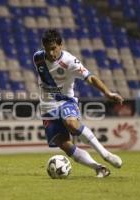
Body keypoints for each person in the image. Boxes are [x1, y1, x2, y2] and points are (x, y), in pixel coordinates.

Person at [33, 29, 123, 178]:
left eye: (54, 48)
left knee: (71, 123)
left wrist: (107, 92)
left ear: (61, 45)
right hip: (47, 107)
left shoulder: (69, 61)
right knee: (65, 145)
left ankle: (105, 154)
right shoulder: (37, 58)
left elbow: (91, 77)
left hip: (65, 101)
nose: (51, 53)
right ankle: (99, 168)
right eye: (47, 49)